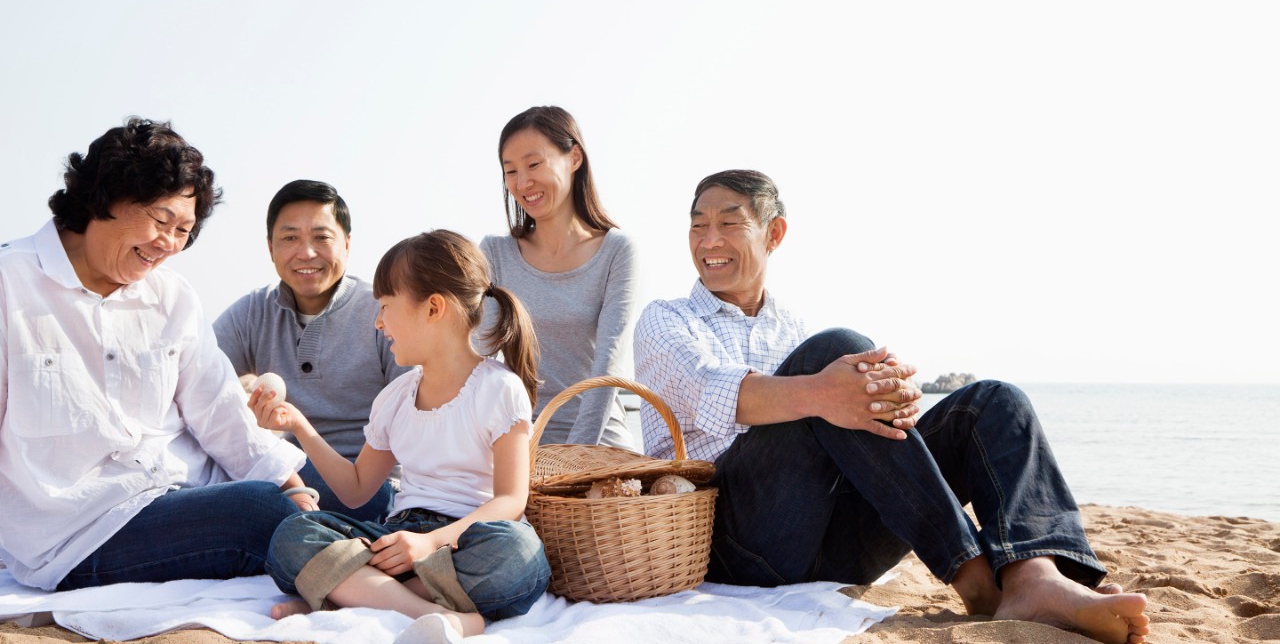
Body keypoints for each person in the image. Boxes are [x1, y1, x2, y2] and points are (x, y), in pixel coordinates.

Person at [633, 169, 1150, 644]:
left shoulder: (791, 326)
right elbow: (712, 392)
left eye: (728, 223)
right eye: (698, 225)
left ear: (774, 234)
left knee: (994, 402)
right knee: (837, 351)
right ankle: (977, 582)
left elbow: (851, 430)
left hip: (829, 545)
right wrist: (832, 390)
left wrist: (888, 402)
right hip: (730, 542)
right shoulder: (667, 320)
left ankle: (1036, 577)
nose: (709, 240)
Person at [0, 117, 313, 591]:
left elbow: (218, 407)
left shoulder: (172, 295)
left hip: (188, 489)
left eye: (183, 229)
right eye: (161, 220)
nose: (168, 243)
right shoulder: (11, 283)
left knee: (347, 497)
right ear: (104, 198)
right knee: (261, 510)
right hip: (83, 530)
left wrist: (289, 482)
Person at [253, 230, 551, 642]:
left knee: (519, 554)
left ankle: (349, 594)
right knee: (292, 535)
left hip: (468, 538)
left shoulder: (499, 389)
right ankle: (429, 612)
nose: (378, 322)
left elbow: (510, 501)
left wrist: (429, 545)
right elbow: (356, 490)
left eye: (386, 307)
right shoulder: (394, 398)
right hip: (398, 537)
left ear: (433, 308)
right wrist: (299, 427)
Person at [215, 179, 410, 521]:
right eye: (290, 238)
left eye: (322, 237)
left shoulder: (382, 311)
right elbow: (195, 375)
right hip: (293, 476)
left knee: (257, 496)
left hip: (375, 487)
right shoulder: (251, 313)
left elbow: (419, 416)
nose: (306, 253)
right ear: (270, 247)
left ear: (347, 244)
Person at [481, 105, 638, 449]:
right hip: (517, 441)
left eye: (534, 165)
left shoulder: (617, 251)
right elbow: (480, 353)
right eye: (511, 171)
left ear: (574, 158)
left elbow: (607, 368)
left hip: (598, 444)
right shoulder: (495, 253)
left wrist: (572, 460)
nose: (523, 183)